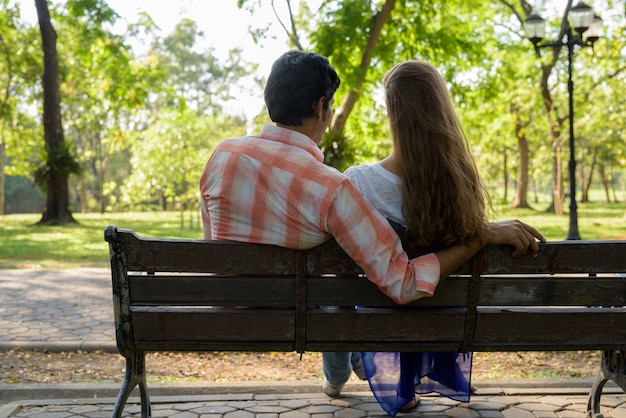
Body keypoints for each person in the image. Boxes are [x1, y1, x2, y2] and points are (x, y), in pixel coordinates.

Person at [199, 50, 545, 403]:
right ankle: (364, 366)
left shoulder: (222, 156)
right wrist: (480, 236)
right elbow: (403, 282)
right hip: (305, 320)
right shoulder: (331, 189)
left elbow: (214, 244)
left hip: (231, 312)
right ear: (321, 107)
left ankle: (351, 368)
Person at [339, 60, 517, 415]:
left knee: (340, 295)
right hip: (444, 324)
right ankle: (430, 372)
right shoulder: (462, 185)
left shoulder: (359, 182)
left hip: (379, 322)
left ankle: (378, 381)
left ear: (392, 115)